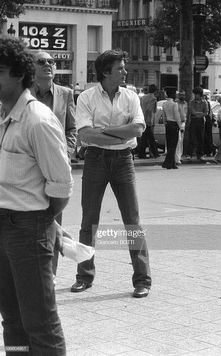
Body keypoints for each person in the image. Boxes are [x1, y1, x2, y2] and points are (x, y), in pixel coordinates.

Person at [0, 37, 73, 355]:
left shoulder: (38, 120)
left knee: (40, 321)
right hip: (4, 226)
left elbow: (61, 186)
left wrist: (43, 221)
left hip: (29, 229)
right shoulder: (4, 116)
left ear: (17, 74)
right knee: (12, 319)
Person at [71, 50, 151, 298]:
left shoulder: (131, 96)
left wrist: (104, 131)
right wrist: (120, 132)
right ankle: (84, 276)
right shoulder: (86, 97)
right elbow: (85, 134)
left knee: (133, 221)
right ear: (106, 72)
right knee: (89, 221)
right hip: (95, 159)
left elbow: (138, 128)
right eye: (121, 68)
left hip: (124, 160)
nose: (125, 72)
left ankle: (142, 280)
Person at [31, 50, 77, 276]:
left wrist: (66, 154)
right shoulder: (23, 94)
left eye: (51, 61)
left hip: (55, 168)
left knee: (52, 222)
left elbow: (71, 128)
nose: (48, 64)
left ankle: (51, 276)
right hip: (29, 167)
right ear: (32, 68)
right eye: (42, 61)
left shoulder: (66, 93)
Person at [161, 90, 183, 169]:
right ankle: (168, 163)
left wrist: (165, 124)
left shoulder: (164, 104)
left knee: (170, 144)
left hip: (168, 125)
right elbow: (177, 116)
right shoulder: (174, 104)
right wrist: (180, 126)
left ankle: (172, 163)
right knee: (173, 145)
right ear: (173, 95)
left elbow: (163, 115)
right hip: (174, 125)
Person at [137, 84, 159, 159]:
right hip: (148, 120)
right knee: (150, 138)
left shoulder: (143, 97)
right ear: (155, 91)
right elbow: (151, 110)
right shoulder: (153, 98)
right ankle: (154, 153)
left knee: (145, 138)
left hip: (142, 119)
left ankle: (143, 153)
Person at [188, 86, 208, 161]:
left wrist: (198, 114)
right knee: (192, 137)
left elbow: (206, 112)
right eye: (195, 94)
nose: (195, 96)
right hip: (193, 120)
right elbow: (192, 111)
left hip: (201, 121)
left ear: (200, 95)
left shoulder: (204, 102)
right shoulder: (191, 102)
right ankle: (189, 154)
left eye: (197, 94)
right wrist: (200, 113)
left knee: (201, 138)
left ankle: (200, 154)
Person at [175, 90, 188, 164]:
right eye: (181, 95)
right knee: (178, 141)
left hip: (183, 123)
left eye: (183, 95)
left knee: (181, 141)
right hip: (177, 123)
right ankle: (177, 158)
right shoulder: (176, 103)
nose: (182, 96)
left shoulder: (185, 103)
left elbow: (186, 113)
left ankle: (179, 156)